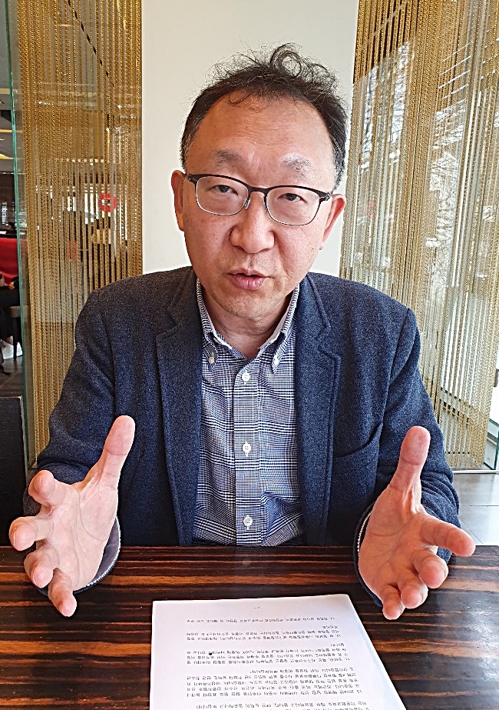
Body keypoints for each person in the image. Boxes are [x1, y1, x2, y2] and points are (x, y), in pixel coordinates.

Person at [9, 44, 474, 619]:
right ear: (181, 201)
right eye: (224, 188)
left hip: (327, 610)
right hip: (164, 607)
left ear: (328, 219)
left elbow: (424, 489)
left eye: (292, 197)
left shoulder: (380, 332)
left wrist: (413, 541)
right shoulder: (117, 321)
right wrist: (72, 537)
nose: (252, 236)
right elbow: (67, 483)